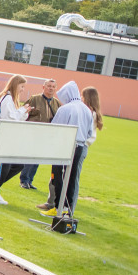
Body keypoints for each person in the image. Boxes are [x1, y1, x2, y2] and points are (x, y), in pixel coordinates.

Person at [40, 81, 95, 217]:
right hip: (80, 146)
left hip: (65, 145)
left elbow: (55, 127)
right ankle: (67, 209)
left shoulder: (66, 109)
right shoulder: (86, 110)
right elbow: (89, 132)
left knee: (58, 176)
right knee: (71, 177)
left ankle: (58, 206)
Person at [0, 75, 32, 205]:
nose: (23, 89)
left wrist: (24, 112)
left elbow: (14, 118)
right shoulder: (7, 98)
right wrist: (22, 110)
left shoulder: (9, 99)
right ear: (16, 85)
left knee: (17, 164)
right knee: (5, 164)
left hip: (8, 136)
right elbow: (9, 118)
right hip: (2, 135)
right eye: (22, 86)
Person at [18, 78, 60, 190]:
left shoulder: (57, 103)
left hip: (46, 135)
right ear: (43, 87)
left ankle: (30, 180)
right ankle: (24, 180)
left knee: (37, 159)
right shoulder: (34, 99)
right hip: (33, 133)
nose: (51, 88)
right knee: (30, 156)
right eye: (49, 86)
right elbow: (23, 111)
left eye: (53, 86)